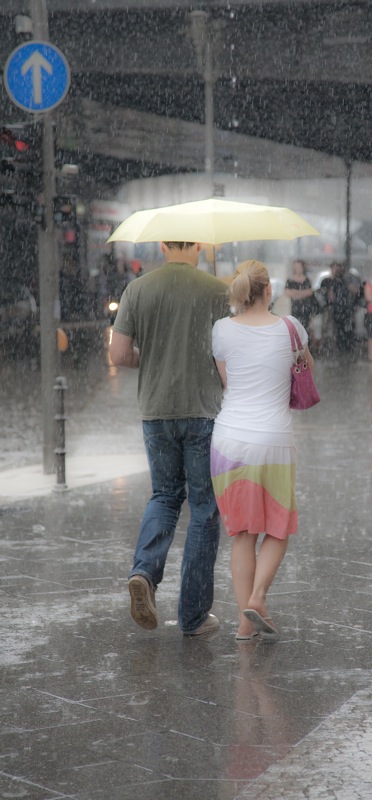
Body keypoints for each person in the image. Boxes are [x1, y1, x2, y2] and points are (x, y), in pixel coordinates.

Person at [109, 241, 230, 636]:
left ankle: (144, 571)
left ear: (162, 244)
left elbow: (119, 354)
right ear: (199, 244)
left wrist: (154, 358)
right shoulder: (216, 290)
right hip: (202, 411)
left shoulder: (138, 288)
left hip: (156, 411)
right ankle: (193, 616)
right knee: (203, 507)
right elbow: (226, 355)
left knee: (164, 496)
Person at [210, 260, 314, 640]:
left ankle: (243, 626)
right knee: (278, 526)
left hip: (228, 442)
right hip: (273, 440)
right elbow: (306, 372)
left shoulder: (221, 330)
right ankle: (257, 597)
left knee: (242, 534)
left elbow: (227, 381)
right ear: (269, 290)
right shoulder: (291, 328)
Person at [320, 261, 359, 353]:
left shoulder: (346, 280)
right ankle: (336, 347)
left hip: (346, 309)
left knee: (348, 329)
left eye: (337, 268)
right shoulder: (327, 281)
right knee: (334, 329)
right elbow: (323, 294)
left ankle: (348, 347)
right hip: (333, 309)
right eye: (334, 268)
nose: (336, 270)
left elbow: (355, 291)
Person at [284, 259, 315, 337]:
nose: (297, 269)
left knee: (305, 329)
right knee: (294, 330)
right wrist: (302, 293)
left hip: (306, 310)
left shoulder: (307, 280)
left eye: (299, 267)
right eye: (296, 267)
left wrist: (295, 292)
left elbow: (310, 292)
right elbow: (287, 293)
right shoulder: (290, 280)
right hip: (293, 309)